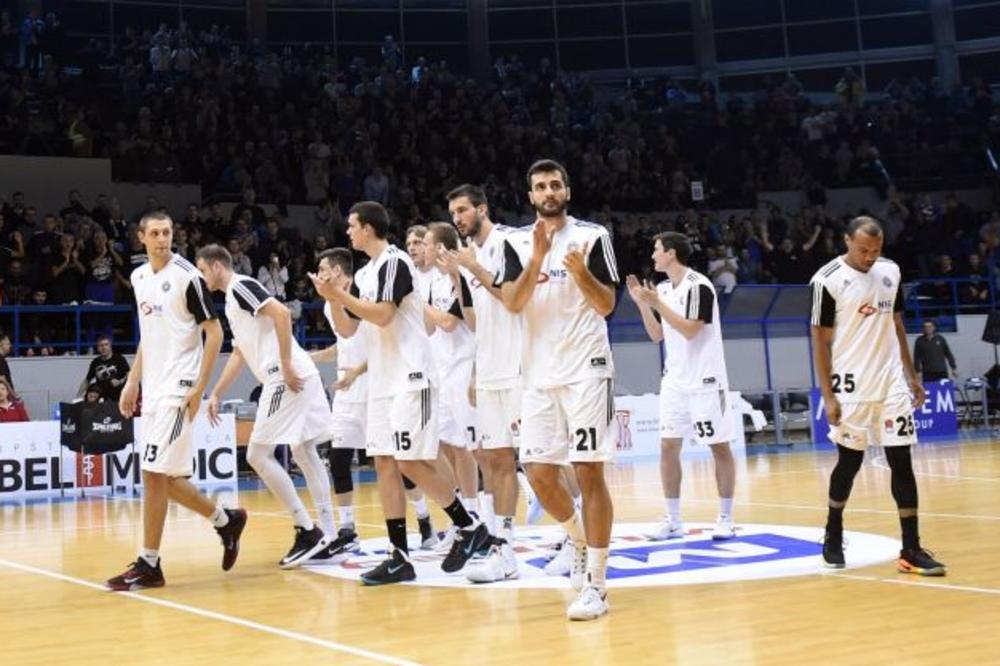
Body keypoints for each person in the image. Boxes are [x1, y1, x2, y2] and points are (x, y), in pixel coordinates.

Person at [310, 201, 489, 585]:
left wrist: (341, 296)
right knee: (385, 465)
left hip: (411, 378)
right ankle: (399, 556)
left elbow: (383, 314)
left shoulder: (395, 263)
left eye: (352, 226)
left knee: (410, 463)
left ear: (368, 228)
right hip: (382, 382)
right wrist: (332, 298)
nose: (348, 232)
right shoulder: (366, 272)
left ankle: (469, 525)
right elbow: (349, 330)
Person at [496, 159, 619, 620]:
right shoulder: (515, 243)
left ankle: (598, 585)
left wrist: (580, 272)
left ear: (567, 190)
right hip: (538, 374)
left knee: (589, 472)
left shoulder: (593, 236)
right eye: (540, 187)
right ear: (530, 196)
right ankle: (578, 540)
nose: (548, 192)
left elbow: (606, 305)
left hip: (586, 369)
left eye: (555, 185)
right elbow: (512, 302)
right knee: (538, 473)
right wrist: (537, 258)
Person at [106, 212, 246, 591]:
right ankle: (225, 520)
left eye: (167, 232)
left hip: (179, 388)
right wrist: (132, 381)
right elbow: (149, 336)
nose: (162, 239)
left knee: (153, 473)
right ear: (141, 237)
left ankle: (149, 563)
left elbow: (215, 334)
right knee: (162, 477)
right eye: (154, 233)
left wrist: (199, 388)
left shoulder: (188, 276)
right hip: (153, 389)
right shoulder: (138, 277)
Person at [810, 216, 945, 576]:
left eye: (876, 250)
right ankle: (833, 532)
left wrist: (911, 375)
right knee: (849, 463)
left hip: (891, 384)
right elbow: (819, 341)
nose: (870, 257)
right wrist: (828, 395)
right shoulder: (827, 280)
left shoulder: (891, 271)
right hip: (851, 387)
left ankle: (911, 549)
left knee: (902, 461)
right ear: (846, 242)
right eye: (863, 250)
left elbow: (896, 323)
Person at [198, 244, 336, 568]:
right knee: (304, 451)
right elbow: (240, 353)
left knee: (257, 455)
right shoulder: (232, 301)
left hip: (285, 377)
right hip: (300, 374)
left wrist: (285, 364)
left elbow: (282, 313)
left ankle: (307, 530)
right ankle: (329, 534)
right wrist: (216, 393)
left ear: (217, 266)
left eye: (203, 270)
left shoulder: (241, 286)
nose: (202, 277)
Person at [626, 232, 737, 542]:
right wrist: (644, 305)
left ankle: (726, 518)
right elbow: (657, 336)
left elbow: (690, 330)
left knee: (718, 446)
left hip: (705, 380)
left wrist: (657, 304)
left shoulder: (699, 286)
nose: (653, 256)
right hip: (674, 381)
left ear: (671, 253)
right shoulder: (662, 289)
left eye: (656, 250)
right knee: (667, 447)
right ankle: (673, 520)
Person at [442, 183, 523, 583]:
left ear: (482, 209)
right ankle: (504, 550)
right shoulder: (469, 256)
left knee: (545, 463)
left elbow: (512, 298)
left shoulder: (509, 243)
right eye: (453, 213)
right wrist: (460, 277)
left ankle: (574, 537)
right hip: (490, 369)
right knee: (497, 461)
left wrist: (472, 268)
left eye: (462, 210)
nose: (457, 218)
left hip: (521, 366)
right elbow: (475, 322)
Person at [422, 222, 482, 549]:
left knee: (467, 448)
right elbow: (430, 329)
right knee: (445, 445)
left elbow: (447, 323)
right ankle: (461, 520)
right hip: (441, 371)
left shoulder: (463, 276)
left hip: (464, 368)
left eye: (427, 243)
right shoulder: (432, 282)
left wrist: (418, 303)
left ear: (441, 248)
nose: (423, 249)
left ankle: (474, 514)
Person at [80, 335, 130, 401]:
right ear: (98, 348)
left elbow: (129, 374)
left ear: (110, 346)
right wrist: (77, 397)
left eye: (106, 345)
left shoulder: (120, 359)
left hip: (118, 396)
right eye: (101, 345)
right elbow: (87, 380)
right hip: (101, 397)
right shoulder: (95, 362)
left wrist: (120, 382)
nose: (104, 347)